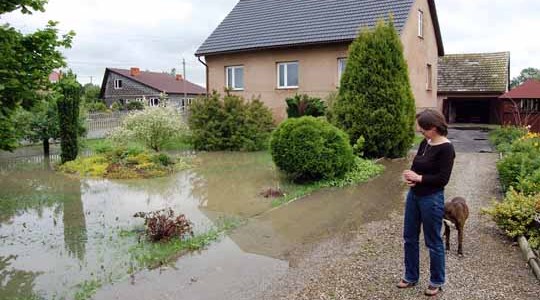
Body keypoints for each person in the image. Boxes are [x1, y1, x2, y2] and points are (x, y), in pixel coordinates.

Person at [397, 109, 455, 296]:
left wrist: (419, 178)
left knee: (433, 241)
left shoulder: (446, 148)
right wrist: (410, 178)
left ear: (434, 128)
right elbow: (416, 167)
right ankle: (411, 276)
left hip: (432, 199)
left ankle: (437, 280)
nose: (420, 132)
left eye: (423, 129)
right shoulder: (426, 142)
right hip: (414, 196)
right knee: (409, 238)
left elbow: (442, 179)